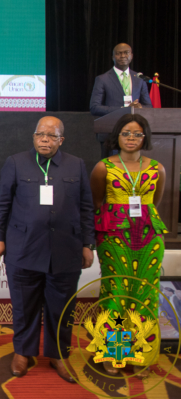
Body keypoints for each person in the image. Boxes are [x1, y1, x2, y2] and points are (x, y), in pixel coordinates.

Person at [0, 116, 95, 383]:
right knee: (24, 305)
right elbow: (2, 204)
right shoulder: (16, 162)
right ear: (33, 137)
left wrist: (87, 244)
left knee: (62, 307)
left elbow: (86, 207)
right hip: (24, 248)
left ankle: (58, 354)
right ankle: (22, 352)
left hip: (66, 249)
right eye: (40, 134)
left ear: (61, 140)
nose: (45, 140)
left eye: (51, 136)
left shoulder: (76, 164)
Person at [89, 113, 166, 378]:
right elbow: (97, 203)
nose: (131, 138)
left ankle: (142, 353)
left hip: (148, 238)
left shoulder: (157, 168)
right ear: (117, 136)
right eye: (126, 133)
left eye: (137, 134)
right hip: (114, 237)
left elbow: (154, 203)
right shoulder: (103, 167)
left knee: (145, 295)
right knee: (116, 293)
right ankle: (115, 353)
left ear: (145, 138)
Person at [90, 43, 152, 116]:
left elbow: (149, 106)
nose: (123, 56)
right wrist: (124, 109)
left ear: (131, 56)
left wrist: (139, 107)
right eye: (118, 53)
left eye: (126, 53)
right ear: (113, 57)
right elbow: (95, 108)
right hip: (113, 121)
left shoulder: (139, 78)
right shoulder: (102, 79)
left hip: (134, 121)